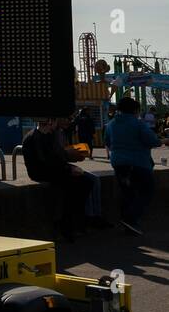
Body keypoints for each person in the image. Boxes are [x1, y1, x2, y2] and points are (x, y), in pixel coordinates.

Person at [21, 118, 96, 241]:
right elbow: (44, 163)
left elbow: (55, 159)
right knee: (75, 186)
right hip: (42, 173)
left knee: (83, 182)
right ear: (50, 122)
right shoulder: (35, 138)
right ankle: (68, 227)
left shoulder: (43, 135)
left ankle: (74, 224)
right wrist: (68, 170)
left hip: (51, 170)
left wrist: (69, 167)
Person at [106, 96, 163, 236]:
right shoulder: (137, 124)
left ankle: (129, 225)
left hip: (119, 163)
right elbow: (153, 141)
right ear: (135, 110)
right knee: (147, 191)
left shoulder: (111, 124)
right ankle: (131, 219)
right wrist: (161, 140)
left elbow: (107, 141)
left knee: (127, 193)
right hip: (138, 163)